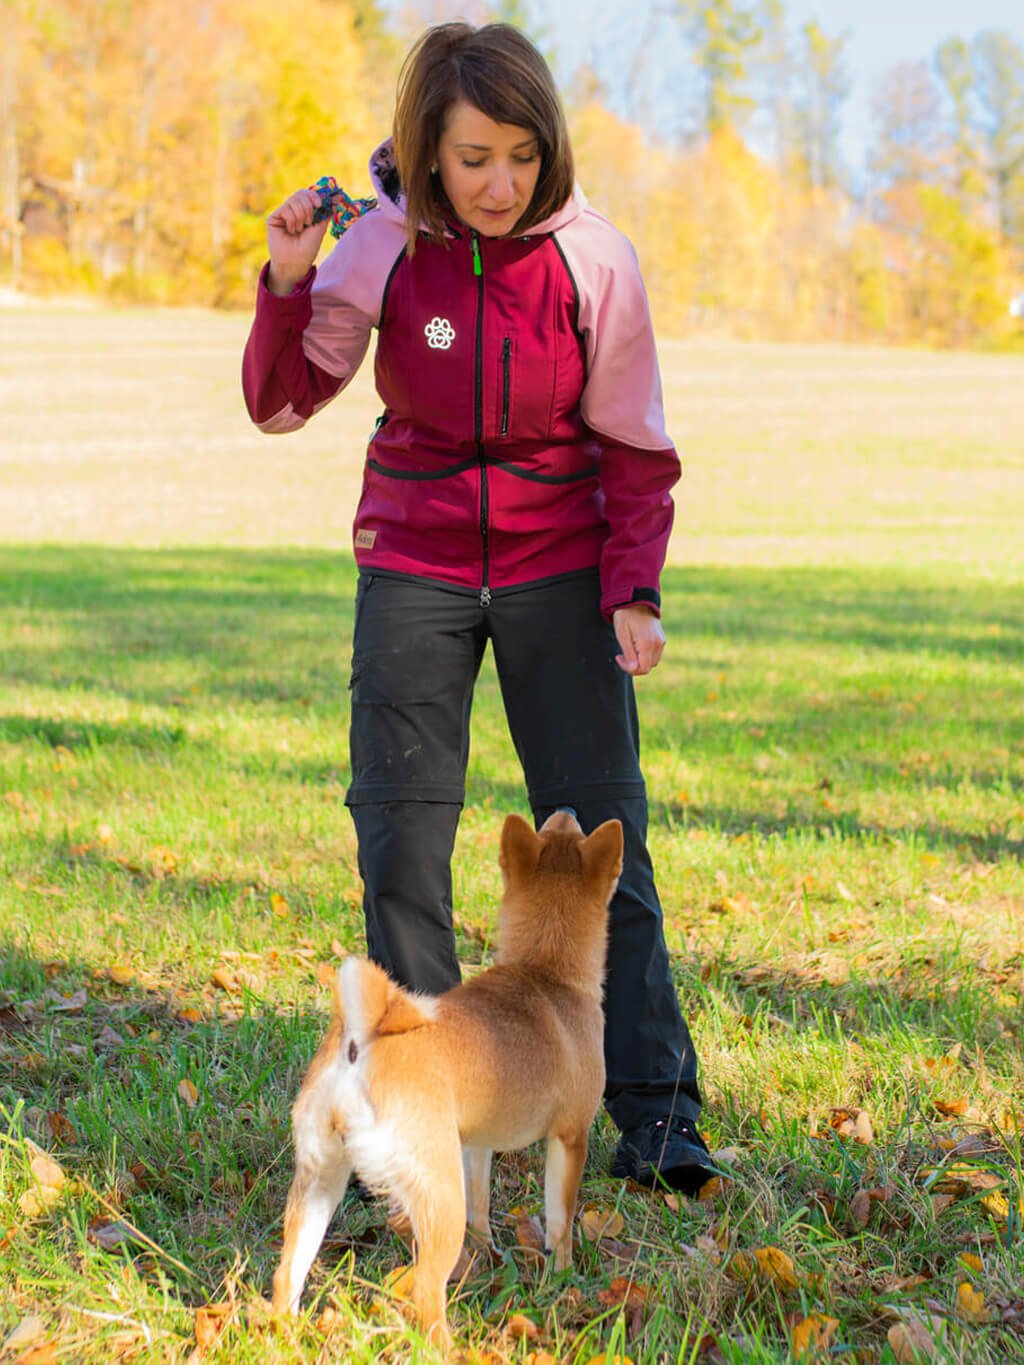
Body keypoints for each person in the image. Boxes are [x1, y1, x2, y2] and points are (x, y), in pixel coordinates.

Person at [242, 20, 713, 1193]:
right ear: (426, 154)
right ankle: (421, 1129)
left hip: (562, 568)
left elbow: (634, 448)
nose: (499, 183)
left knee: (601, 850)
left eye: (518, 154)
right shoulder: (382, 249)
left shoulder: (594, 257)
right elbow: (284, 399)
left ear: (546, 146)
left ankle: (656, 1120)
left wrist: (634, 591)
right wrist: (288, 281)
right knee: (401, 842)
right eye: (470, 159)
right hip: (416, 560)